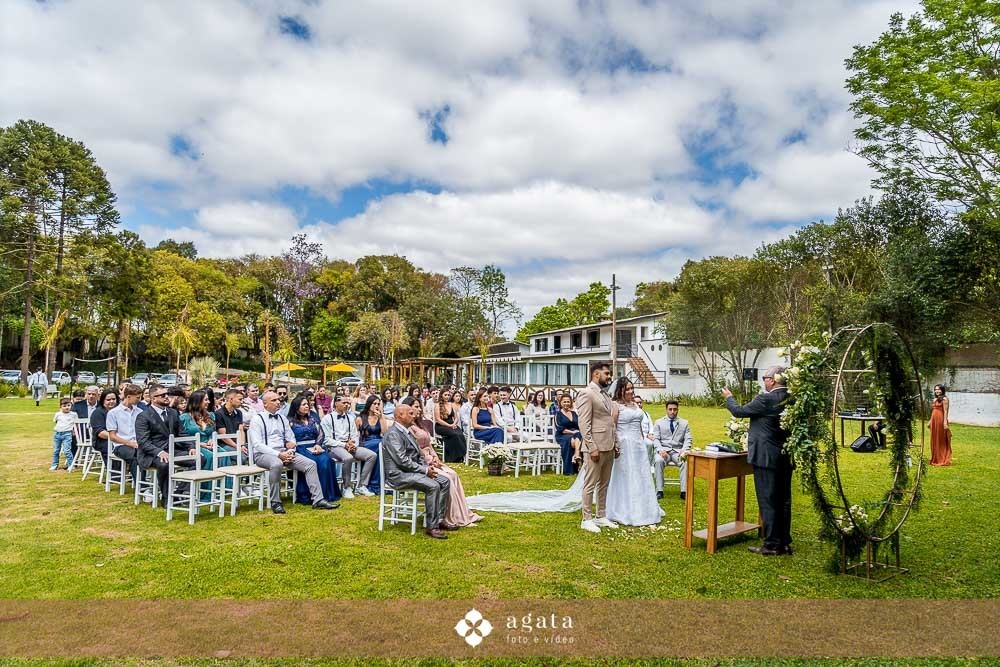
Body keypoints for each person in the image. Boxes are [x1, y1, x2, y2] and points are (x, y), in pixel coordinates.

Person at [723, 365, 793, 556]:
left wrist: (729, 397)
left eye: (765, 378)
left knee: (768, 500)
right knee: (784, 500)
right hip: (785, 457)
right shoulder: (792, 397)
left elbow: (739, 412)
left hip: (765, 457)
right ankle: (784, 542)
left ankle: (771, 544)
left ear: (773, 380)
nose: (764, 381)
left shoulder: (766, 398)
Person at [247, 390, 339, 514]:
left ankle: (318, 499)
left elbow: (291, 438)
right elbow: (257, 444)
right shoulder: (257, 419)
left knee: (310, 464)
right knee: (276, 464)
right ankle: (275, 501)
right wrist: (279, 455)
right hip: (264, 455)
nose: (278, 402)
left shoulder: (282, 418)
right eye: (273, 400)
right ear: (265, 404)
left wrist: (290, 450)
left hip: (284, 452)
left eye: (278, 400)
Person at [381, 400, 452, 539]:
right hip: (398, 475)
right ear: (399, 415)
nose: (414, 415)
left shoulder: (407, 432)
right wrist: (424, 471)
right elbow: (402, 461)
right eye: (410, 413)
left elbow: (417, 455)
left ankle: (439, 519)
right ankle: (432, 527)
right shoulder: (393, 434)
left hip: (412, 471)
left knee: (444, 481)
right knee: (433, 486)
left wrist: (427, 467)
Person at [408, 399, 483, 528]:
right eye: (416, 407)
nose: (420, 409)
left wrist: (436, 457)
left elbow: (429, 445)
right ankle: (449, 516)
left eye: (419, 407)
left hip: (431, 458)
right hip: (422, 463)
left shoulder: (420, 424)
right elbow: (415, 449)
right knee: (447, 478)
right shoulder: (408, 428)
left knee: (453, 474)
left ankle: (461, 513)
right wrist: (429, 460)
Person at [606, 379, 664, 526]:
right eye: (627, 389)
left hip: (638, 444)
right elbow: (612, 426)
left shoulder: (635, 405)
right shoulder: (616, 405)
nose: (630, 392)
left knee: (641, 474)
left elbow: (638, 425)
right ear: (620, 391)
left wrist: (642, 441)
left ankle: (644, 507)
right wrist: (615, 445)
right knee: (625, 475)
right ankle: (624, 509)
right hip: (624, 444)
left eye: (632, 388)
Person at [577, 362, 619, 533]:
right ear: (596, 374)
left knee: (604, 483)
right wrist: (592, 446)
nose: (609, 377)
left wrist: (616, 443)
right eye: (607, 374)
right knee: (590, 483)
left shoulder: (606, 395)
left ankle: (601, 515)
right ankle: (586, 518)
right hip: (595, 446)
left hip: (609, 445)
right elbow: (584, 423)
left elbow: (610, 422)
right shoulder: (586, 393)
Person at [135, 383, 189, 506]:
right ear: (153, 398)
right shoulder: (143, 416)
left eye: (167, 394)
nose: (166, 397)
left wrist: (191, 447)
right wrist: (159, 452)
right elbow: (143, 442)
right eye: (162, 395)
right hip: (151, 454)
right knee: (165, 464)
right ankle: (166, 498)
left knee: (199, 459)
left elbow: (182, 434)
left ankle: (177, 493)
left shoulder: (173, 413)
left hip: (172, 450)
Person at [287, 395, 341, 505]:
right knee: (315, 463)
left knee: (326, 460)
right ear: (296, 407)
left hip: (315, 447)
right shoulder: (290, 421)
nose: (307, 406)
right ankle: (310, 495)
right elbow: (287, 437)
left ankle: (326, 494)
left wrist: (318, 444)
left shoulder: (312, 419)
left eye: (307, 404)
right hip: (300, 448)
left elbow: (321, 433)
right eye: (304, 404)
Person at [320, 394, 377, 498]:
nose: (347, 405)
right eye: (344, 403)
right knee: (348, 458)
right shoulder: (327, 419)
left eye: (348, 403)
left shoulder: (351, 418)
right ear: (336, 403)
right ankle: (347, 487)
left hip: (349, 445)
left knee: (371, 455)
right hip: (334, 447)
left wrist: (353, 444)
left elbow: (355, 434)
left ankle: (362, 485)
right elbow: (326, 439)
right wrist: (344, 445)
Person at [651, 400, 693, 500]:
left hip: (678, 452)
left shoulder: (684, 423)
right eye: (670, 409)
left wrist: (684, 450)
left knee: (686, 462)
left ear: (678, 410)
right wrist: (660, 450)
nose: (672, 411)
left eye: (675, 409)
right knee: (658, 461)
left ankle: (684, 491)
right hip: (663, 451)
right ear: (666, 410)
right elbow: (655, 438)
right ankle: (659, 490)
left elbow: (688, 439)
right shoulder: (658, 422)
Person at [106, 384, 144, 489]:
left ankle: (148, 484)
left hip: (138, 444)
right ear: (128, 397)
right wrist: (129, 443)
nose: (139, 400)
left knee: (146, 455)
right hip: (120, 445)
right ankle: (141, 486)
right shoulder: (113, 413)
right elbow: (112, 436)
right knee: (134, 457)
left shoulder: (140, 412)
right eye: (137, 397)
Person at [357, 394, 391, 495]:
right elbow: (356, 436)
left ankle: (380, 482)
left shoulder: (380, 416)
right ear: (369, 404)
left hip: (378, 441)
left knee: (382, 447)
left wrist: (381, 418)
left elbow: (384, 432)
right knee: (381, 445)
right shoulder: (360, 418)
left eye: (378, 404)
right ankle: (375, 483)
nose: (376, 406)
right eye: (374, 403)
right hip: (365, 442)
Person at [434, 388, 467, 463]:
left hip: (452, 424)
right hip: (441, 425)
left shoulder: (452, 404)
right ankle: (460, 455)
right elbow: (438, 419)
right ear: (441, 395)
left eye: (448, 395)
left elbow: (456, 418)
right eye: (445, 395)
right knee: (454, 434)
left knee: (460, 434)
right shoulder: (437, 405)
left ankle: (459, 455)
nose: (447, 396)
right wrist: (449, 425)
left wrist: (454, 424)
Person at [554, 394, 582, 476]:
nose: (566, 403)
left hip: (577, 434)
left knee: (578, 437)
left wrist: (576, 432)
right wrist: (573, 432)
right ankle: (578, 459)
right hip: (563, 435)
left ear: (571, 403)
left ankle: (576, 456)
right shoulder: (558, 414)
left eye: (568, 402)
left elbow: (579, 425)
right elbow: (559, 428)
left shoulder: (574, 413)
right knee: (576, 439)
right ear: (561, 403)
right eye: (564, 402)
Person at [90, 389, 119, 466]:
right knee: (113, 447)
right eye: (108, 400)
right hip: (103, 441)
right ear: (103, 400)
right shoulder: (97, 413)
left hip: (120, 439)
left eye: (113, 399)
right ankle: (114, 473)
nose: (111, 401)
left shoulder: (120, 411)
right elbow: (100, 433)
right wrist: (117, 438)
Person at [71, 385, 100, 457]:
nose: (91, 396)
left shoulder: (102, 406)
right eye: (89, 394)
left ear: (98, 396)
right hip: (81, 432)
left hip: (97, 432)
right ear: (86, 394)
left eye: (93, 394)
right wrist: (73, 430)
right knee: (71, 437)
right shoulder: (77, 405)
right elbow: (71, 419)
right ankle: (73, 459)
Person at [929, 384, 952, 466]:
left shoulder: (945, 399)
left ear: (942, 390)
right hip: (934, 420)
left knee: (940, 439)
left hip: (940, 420)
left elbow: (946, 411)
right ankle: (935, 457)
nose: (937, 391)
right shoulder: (934, 399)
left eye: (938, 389)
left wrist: (945, 423)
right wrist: (930, 421)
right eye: (935, 389)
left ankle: (941, 458)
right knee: (934, 439)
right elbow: (933, 411)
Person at [51, 397, 75, 471]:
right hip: (57, 434)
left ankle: (71, 464)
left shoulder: (73, 415)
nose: (66, 407)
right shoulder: (58, 414)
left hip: (67, 434)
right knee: (56, 450)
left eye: (68, 405)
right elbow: (55, 421)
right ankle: (54, 465)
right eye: (64, 406)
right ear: (60, 407)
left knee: (67, 450)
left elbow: (76, 424)